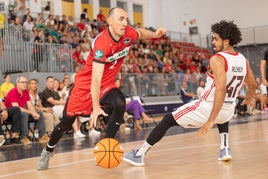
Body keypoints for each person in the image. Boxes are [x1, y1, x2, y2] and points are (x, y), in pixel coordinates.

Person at [37, 7, 166, 170]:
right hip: (85, 86)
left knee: (119, 103)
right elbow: (95, 78)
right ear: (109, 21)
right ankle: (48, 151)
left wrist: (155, 34)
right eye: (121, 19)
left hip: (107, 85)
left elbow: (139, 32)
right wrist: (96, 107)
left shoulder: (128, 33)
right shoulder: (102, 43)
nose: (125, 23)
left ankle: (105, 148)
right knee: (65, 123)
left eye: (126, 19)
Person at [123, 20, 256, 166]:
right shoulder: (243, 59)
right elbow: (252, 83)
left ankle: (139, 155)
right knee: (222, 114)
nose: (212, 42)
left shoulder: (218, 59)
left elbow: (221, 89)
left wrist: (210, 121)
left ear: (226, 41)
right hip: (229, 110)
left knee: (168, 119)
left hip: (207, 109)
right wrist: (249, 98)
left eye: (216, 39)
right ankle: (224, 148)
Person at [4, 76, 50, 145]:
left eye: (26, 82)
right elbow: (17, 108)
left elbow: (30, 104)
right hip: (11, 116)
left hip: (22, 114)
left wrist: (34, 113)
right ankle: (23, 137)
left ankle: (42, 136)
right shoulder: (13, 92)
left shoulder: (25, 92)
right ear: (17, 83)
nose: (25, 84)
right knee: (24, 113)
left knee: (39, 112)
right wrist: (32, 112)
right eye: (22, 82)